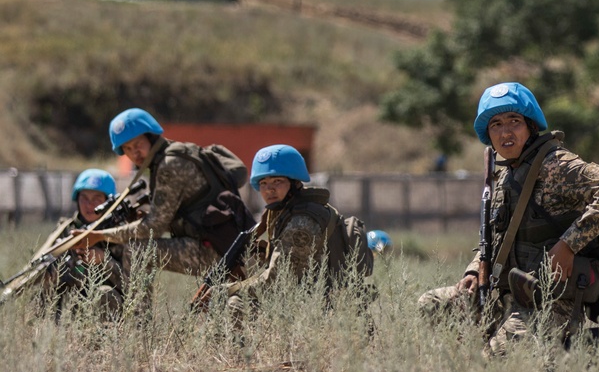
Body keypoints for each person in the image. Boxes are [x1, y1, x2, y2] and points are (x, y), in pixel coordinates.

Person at [417, 82, 599, 356]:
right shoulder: (505, 174)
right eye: (495, 124)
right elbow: (497, 238)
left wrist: (568, 245)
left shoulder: (555, 164)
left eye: (514, 121)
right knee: (432, 304)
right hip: (504, 292)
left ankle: (580, 353)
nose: (505, 131)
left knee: (494, 363)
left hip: (548, 298)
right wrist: (474, 270)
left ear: (530, 125)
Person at [75, 108, 252, 317]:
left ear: (151, 137)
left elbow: (154, 227)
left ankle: (139, 324)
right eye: (128, 148)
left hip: (216, 250)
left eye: (138, 145)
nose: (135, 153)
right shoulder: (176, 154)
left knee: (139, 250)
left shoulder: (169, 165)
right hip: (222, 245)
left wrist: (100, 235)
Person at [223, 145, 374, 319]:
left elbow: (277, 281)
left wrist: (225, 290)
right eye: (263, 183)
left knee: (234, 304)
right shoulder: (285, 212)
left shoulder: (302, 222)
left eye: (277, 181)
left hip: (326, 311)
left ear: (295, 182)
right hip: (314, 302)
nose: (269, 189)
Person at [40, 168, 125, 320]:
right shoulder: (65, 230)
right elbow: (42, 263)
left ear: (109, 201)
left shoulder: (120, 232)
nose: (89, 204)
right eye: (84, 198)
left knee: (105, 294)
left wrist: (105, 260)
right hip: (69, 306)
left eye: (97, 198)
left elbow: (135, 285)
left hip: (108, 312)